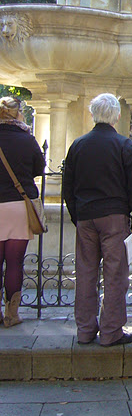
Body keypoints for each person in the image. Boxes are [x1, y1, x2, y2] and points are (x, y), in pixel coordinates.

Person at [63, 93, 132, 346]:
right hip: (114, 216)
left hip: (86, 215)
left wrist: (77, 215)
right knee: (115, 274)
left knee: (85, 273)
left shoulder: (78, 145)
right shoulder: (124, 145)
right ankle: (111, 331)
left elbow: (68, 186)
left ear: (93, 114)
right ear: (117, 116)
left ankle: (85, 329)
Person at [0, 96, 45, 327]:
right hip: (18, 205)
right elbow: (39, 167)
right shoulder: (27, 139)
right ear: (18, 114)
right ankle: (12, 314)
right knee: (14, 262)